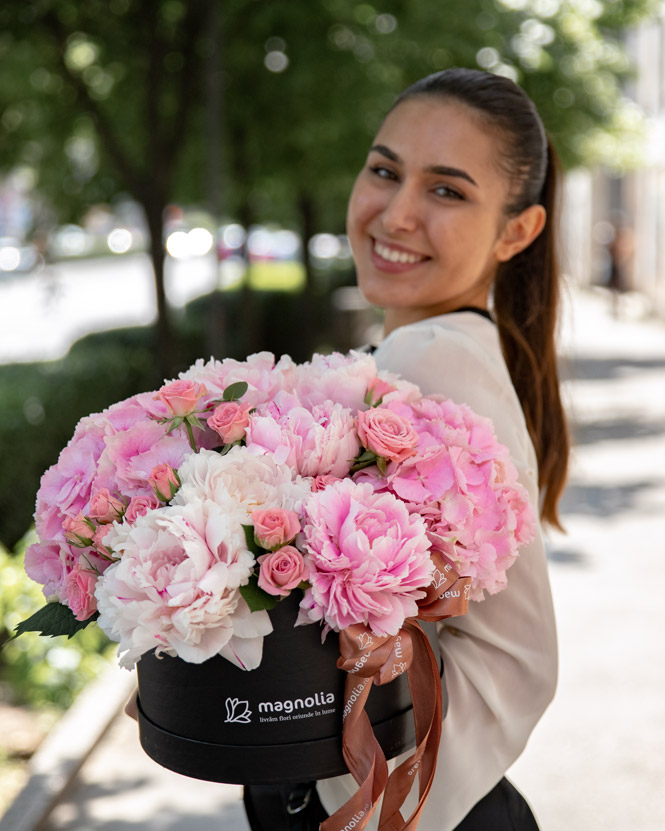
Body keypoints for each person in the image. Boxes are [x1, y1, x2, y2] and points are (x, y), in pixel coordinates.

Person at [244, 67, 569, 830]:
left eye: (447, 191)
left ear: (515, 231)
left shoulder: (429, 358)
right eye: (385, 170)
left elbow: (516, 655)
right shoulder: (437, 346)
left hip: (400, 801)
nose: (396, 213)